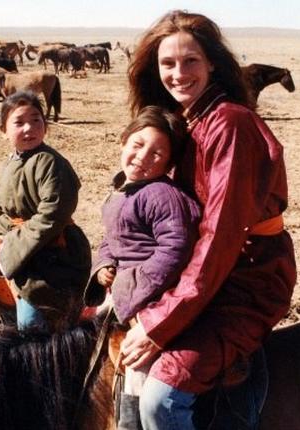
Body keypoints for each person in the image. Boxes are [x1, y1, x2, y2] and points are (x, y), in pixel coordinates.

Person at [120, 10, 298, 429]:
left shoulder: (230, 125)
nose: (179, 74)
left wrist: (159, 326)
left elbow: (220, 237)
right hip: (201, 274)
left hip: (245, 279)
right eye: (168, 63)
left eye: (191, 61)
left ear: (213, 62)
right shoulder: (186, 123)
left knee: (161, 400)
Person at [83, 105, 201, 429]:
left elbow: (174, 251)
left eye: (156, 153)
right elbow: (112, 239)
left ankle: (131, 423)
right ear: (124, 141)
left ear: (168, 163)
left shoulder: (162, 195)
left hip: (152, 297)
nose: (142, 157)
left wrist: (131, 290)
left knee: (137, 363)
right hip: (124, 290)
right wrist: (103, 265)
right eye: (137, 145)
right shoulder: (122, 189)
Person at [0, 90, 91, 333]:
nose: (29, 128)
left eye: (36, 120)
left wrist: (12, 246)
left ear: (45, 126)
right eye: (19, 122)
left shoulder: (51, 163)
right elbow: (0, 198)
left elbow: (53, 214)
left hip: (51, 252)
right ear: (3, 131)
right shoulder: (11, 162)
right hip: (18, 245)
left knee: (32, 321)